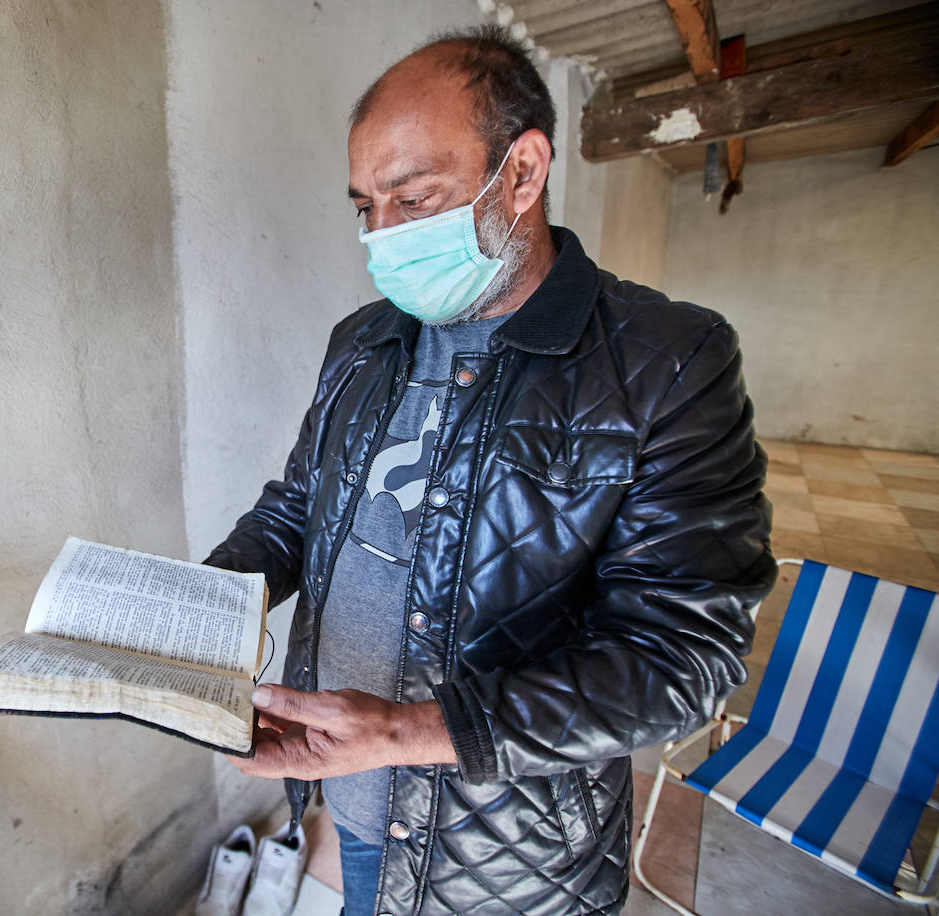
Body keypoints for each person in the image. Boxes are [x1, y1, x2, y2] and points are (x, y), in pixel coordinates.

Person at [203, 25, 776, 916]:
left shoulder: (666, 362)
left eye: (413, 199)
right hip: (350, 796)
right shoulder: (364, 342)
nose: (383, 238)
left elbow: (680, 660)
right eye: (365, 209)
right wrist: (200, 600)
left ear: (522, 172)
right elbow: (301, 506)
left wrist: (408, 730)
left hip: (509, 853)